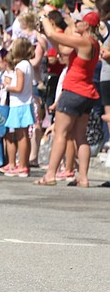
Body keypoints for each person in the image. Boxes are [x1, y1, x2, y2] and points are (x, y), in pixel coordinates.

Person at [37, 10, 101, 187]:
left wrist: (44, 18)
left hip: (73, 90)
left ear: (86, 25)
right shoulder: (93, 43)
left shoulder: (83, 41)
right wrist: (47, 34)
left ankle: (50, 174)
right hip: (87, 92)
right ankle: (83, 177)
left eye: (78, 21)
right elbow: (62, 49)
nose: (75, 23)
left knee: (60, 133)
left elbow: (52, 33)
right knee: (81, 136)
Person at [0, 37, 36, 177]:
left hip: (19, 103)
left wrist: (6, 87)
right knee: (24, 134)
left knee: (21, 135)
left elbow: (18, 87)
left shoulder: (20, 66)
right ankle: (24, 165)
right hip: (26, 102)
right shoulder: (28, 64)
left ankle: (22, 166)